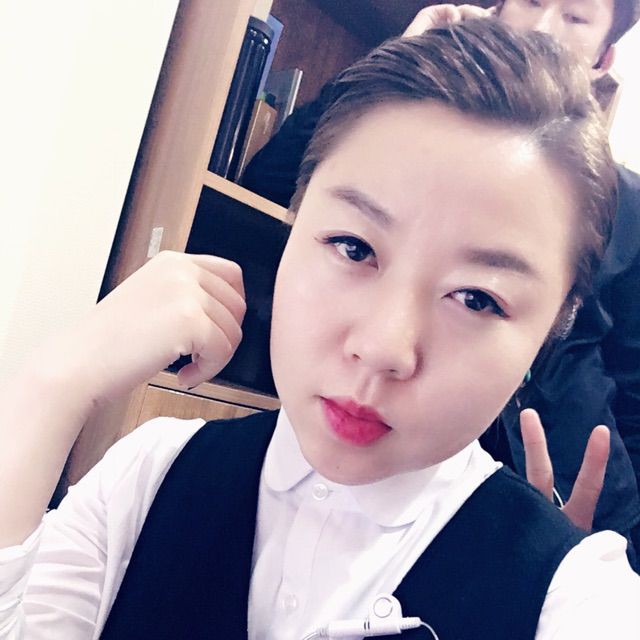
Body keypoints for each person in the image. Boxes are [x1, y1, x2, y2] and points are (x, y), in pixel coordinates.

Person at [1, 18, 638, 640]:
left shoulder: (571, 594)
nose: (383, 347)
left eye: (476, 298)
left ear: (556, 325)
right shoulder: (150, 473)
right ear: (295, 218)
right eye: (354, 248)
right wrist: (52, 384)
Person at [241, 0, 640, 553]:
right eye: (356, 248)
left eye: (575, 17)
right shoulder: (168, 469)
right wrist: (391, 66)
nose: (544, 26)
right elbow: (270, 187)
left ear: (604, 58)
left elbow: (633, 385)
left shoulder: (622, 203)